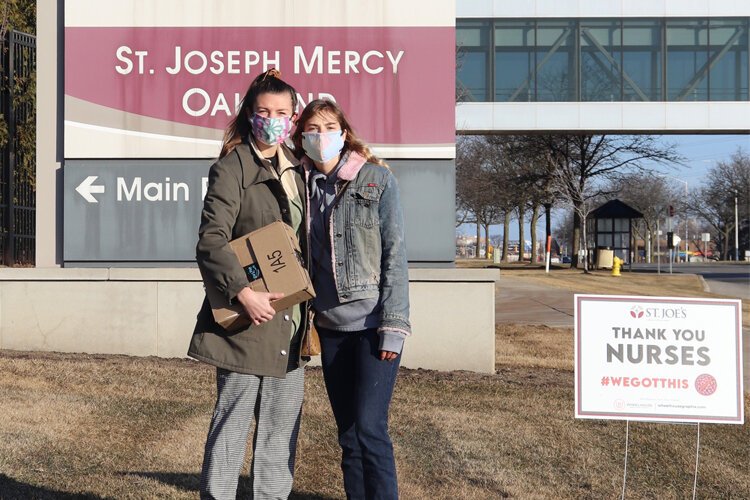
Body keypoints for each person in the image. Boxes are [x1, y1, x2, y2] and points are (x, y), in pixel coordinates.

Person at [188, 69, 308, 500]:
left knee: (279, 438)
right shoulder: (232, 166)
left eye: (281, 112)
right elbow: (211, 240)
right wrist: (243, 292)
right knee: (231, 430)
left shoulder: (299, 167)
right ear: (249, 114)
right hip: (247, 323)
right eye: (264, 112)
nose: (272, 119)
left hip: (291, 327)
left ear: (293, 117)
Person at [291, 99, 411, 500]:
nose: (320, 135)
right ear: (301, 136)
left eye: (328, 127)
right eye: (312, 128)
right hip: (329, 328)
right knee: (347, 434)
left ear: (343, 133)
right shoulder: (298, 186)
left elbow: (395, 256)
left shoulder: (376, 180)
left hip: (372, 326)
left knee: (370, 427)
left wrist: (393, 328)